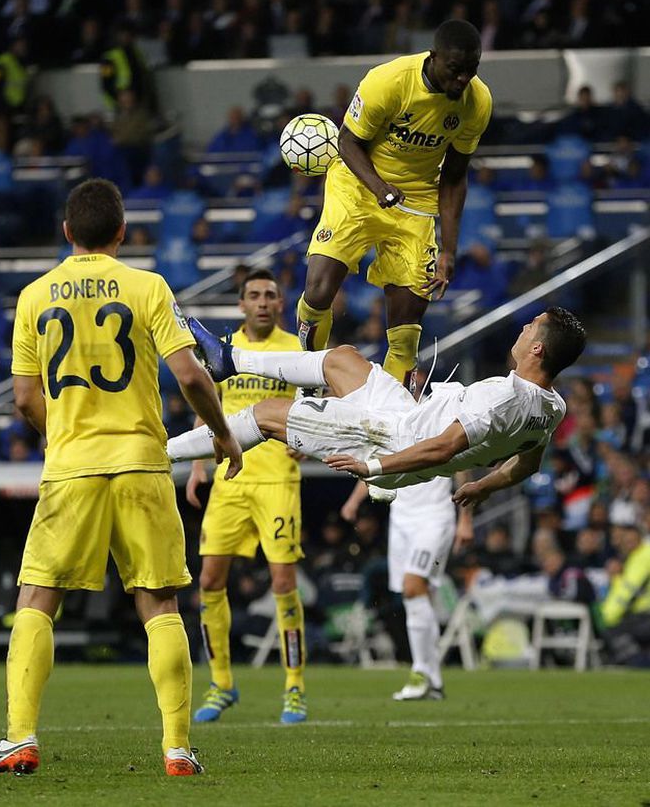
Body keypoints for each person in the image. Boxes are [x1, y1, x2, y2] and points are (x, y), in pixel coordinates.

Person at [0, 178, 243, 779]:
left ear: (67, 231)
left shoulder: (33, 295)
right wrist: (222, 432)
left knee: (38, 597)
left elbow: (25, 397)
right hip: (142, 461)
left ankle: (20, 737)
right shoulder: (147, 287)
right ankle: (177, 748)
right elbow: (191, 376)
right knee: (158, 601)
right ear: (122, 232)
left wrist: (59, 434)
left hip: (71, 467)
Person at [168, 308, 586, 508]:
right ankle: (230, 360)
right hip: (407, 416)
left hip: (393, 442)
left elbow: (444, 448)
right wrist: (483, 486)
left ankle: (160, 452)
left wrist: (374, 467)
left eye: (532, 326)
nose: (523, 326)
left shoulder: (504, 397)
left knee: (268, 414)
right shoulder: (552, 407)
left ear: (537, 348)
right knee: (342, 359)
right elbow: (528, 465)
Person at [296, 19, 492, 392]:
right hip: (358, 185)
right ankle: (310, 379)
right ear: (433, 57)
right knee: (319, 289)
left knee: (407, 327)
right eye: (455, 69)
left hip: (415, 202)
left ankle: (389, 412)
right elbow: (347, 142)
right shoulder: (388, 81)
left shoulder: (477, 102)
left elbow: (454, 177)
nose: (463, 79)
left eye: (472, 70)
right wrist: (379, 187)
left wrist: (449, 249)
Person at [186, 269, 308, 724]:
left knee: (283, 584)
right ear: (241, 304)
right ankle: (222, 683)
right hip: (230, 480)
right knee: (209, 581)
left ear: (280, 304)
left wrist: (307, 436)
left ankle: (294, 687)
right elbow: (207, 404)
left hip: (277, 480)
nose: (261, 302)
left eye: (270, 295)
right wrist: (197, 466)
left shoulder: (295, 349)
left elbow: (316, 400)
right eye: (254, 295)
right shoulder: (222, 349)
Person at [342, 474, 473, 701]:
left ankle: (420, 672)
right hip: (400, 519)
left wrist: (466, 519)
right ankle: (433, 681)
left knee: (412, 587)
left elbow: (463, 471)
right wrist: (354, 501)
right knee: (417, 597)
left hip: (435, 516)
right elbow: (375, 463)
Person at [601, 516, 650, 666]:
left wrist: (610, 615)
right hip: (640, 614)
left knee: (614, 631)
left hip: (644, 614)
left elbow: (630, 592)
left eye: (632, 540)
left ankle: (639, 663)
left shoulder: (644, 557)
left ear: (640, 539)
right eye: (626, 541)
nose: (629, 544)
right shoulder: (632, 559)